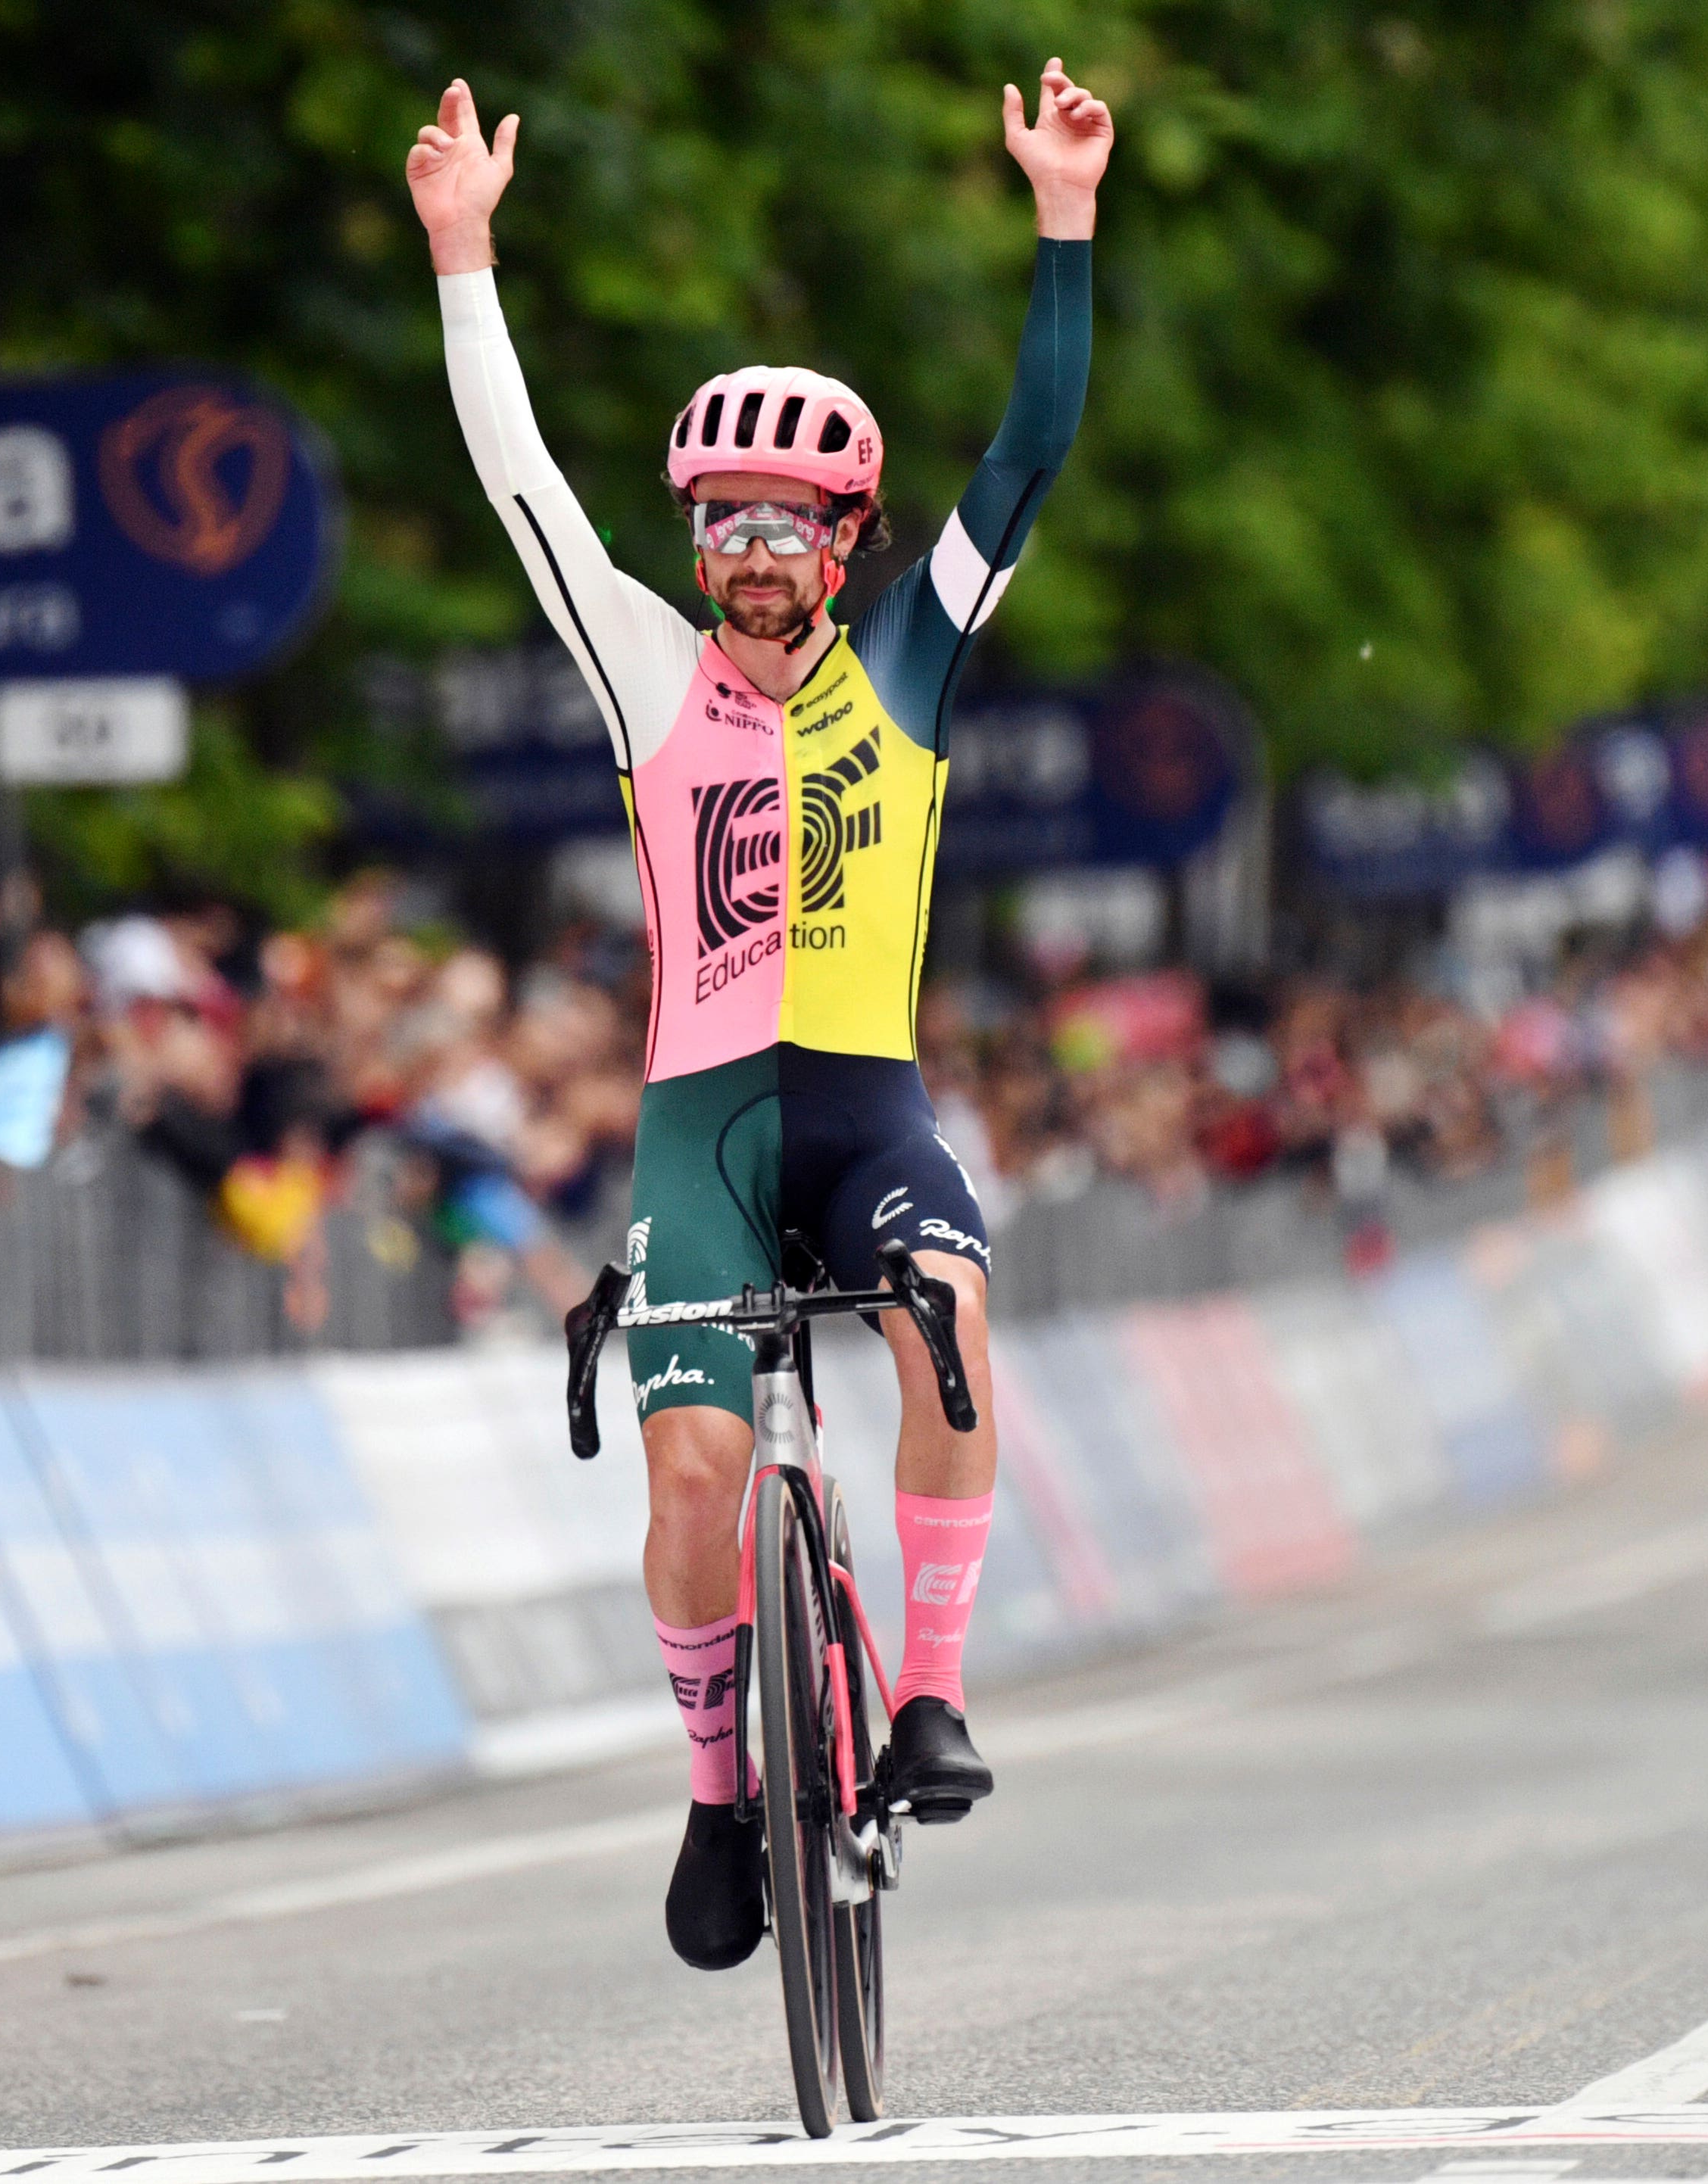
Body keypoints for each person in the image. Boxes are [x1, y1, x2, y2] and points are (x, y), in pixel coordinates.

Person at [408, 57, 1111, 1969]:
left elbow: (1026, 457)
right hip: (696, 1125)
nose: (744, 551)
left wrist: (1063, 224)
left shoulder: (909, 657)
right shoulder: (645, 670)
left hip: (865, 1105)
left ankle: (932, 1694)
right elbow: (518, 483)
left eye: (785, 522)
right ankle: (722, 1794)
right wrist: (465, 252)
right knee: (699, 1471)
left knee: (949, 1314)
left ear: (850, 539)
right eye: (718, 517)